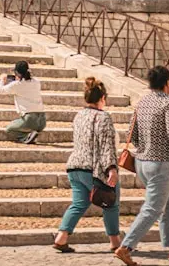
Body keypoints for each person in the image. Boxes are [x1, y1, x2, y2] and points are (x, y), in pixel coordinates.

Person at [115, 65, 169, 264]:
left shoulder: (142, 102)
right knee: (152, 208)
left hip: (142, 163)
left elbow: (130, 133)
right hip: (161, 164)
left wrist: (145, 147)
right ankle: (126, 247)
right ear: (166, 83)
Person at [53, 77, 121, 253]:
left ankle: (61, 237)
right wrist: (112, 169)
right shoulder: (104, 117)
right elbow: (106, 146)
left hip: (75, 166)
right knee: (111, 204)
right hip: (94, 169)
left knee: (79, 203)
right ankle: (115, 242)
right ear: (103, 98)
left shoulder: (79, 116)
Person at [0, 61, 46, 143]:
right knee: (24, 123)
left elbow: (0, 90)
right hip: (42, 121)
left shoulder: (17, 85)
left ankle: (26, 137)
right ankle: (32, 133)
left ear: (17, 73)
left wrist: (2, 79)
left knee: (10, 129)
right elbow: (27, 84)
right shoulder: (37, 82)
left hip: (30, 120)